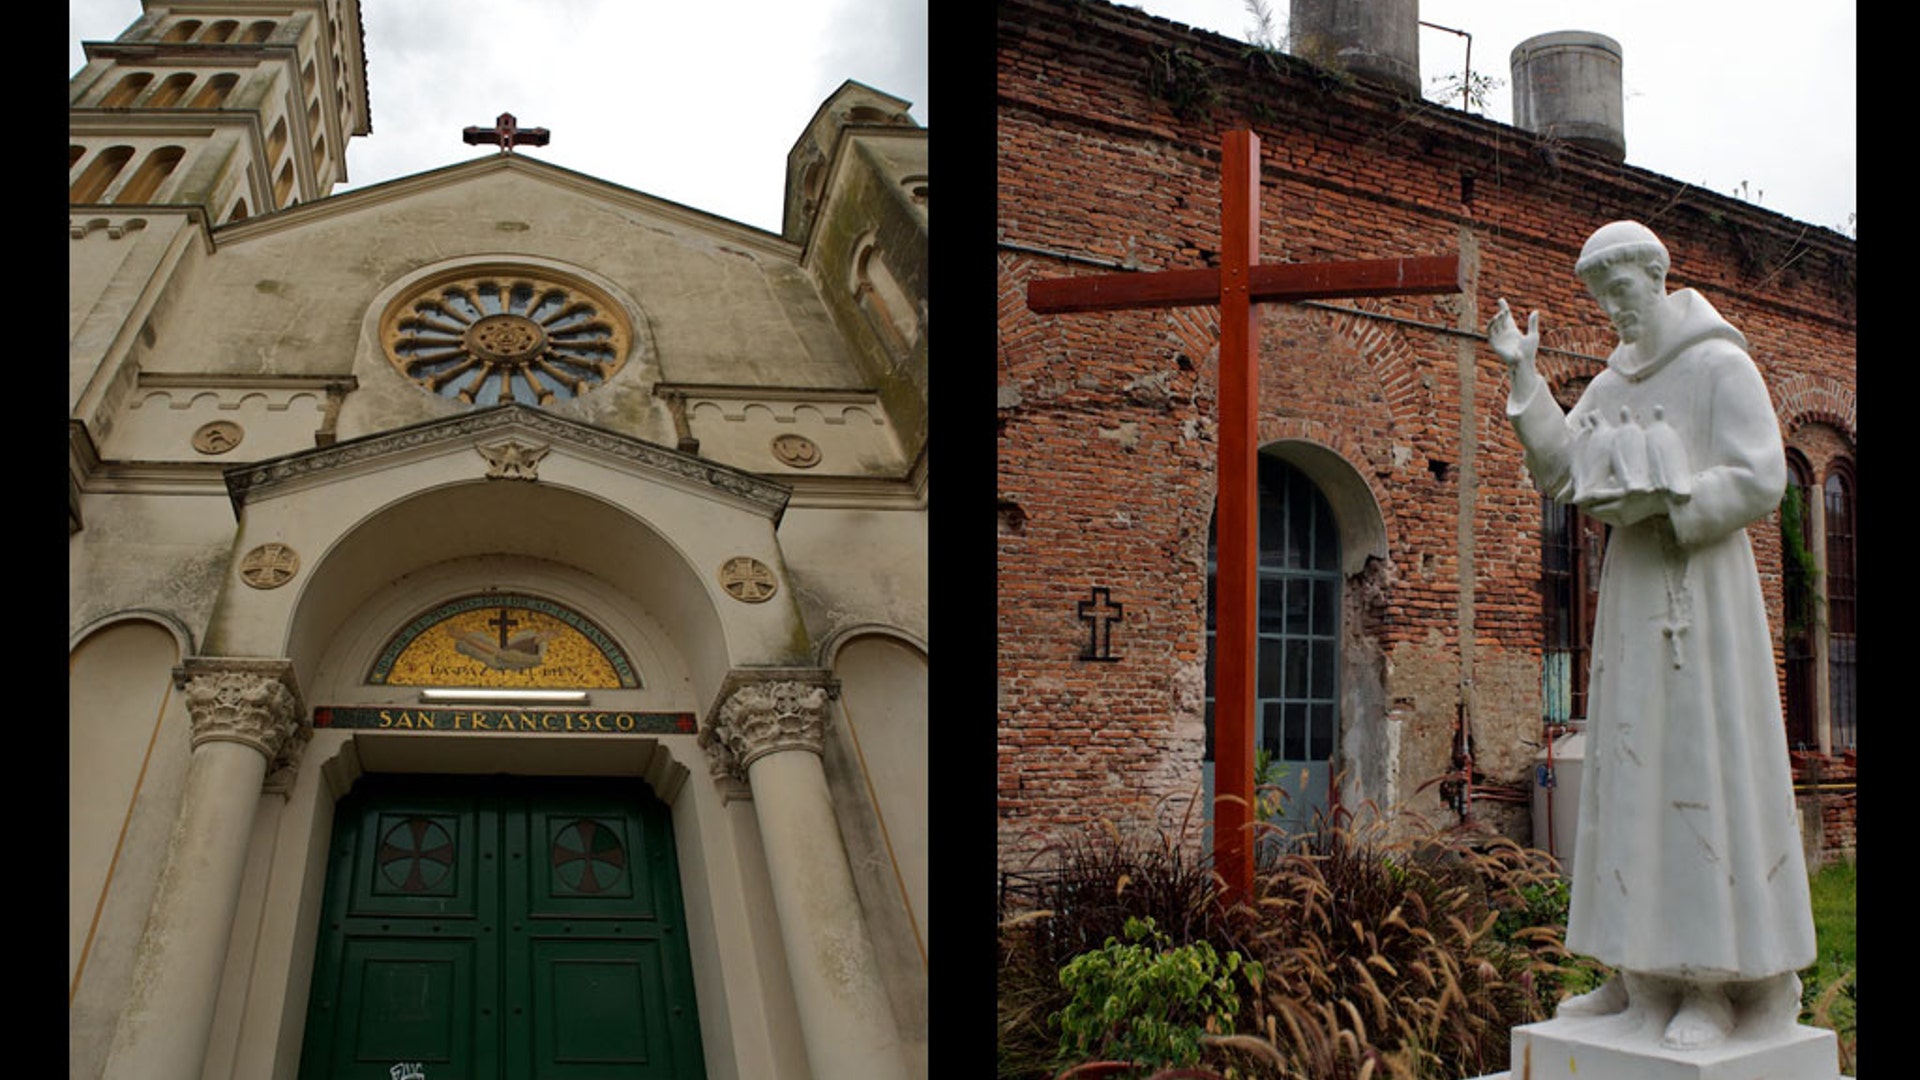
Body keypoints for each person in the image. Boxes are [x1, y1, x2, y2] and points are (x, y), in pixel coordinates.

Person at [1489, 221, 1814, 1050]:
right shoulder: (1611, 379)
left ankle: (1712, 981)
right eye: (1599, 300)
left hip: (1700, 595)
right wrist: (1527, 381)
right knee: (1630, 770)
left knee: (1698, 765)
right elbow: (1562, 469)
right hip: (1634, 597)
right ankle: (1635, 974)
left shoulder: (1717, 364)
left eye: (1620, 293)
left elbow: (1762, 474)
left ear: (1656, 275)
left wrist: (1674, 496)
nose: (1611, 312)